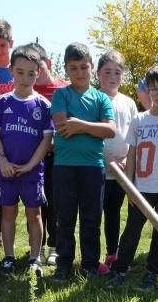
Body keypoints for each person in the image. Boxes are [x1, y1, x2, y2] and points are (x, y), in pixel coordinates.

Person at [106, 63, 158, 292]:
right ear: (147, 90)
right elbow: (132, 154)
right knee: (132, 230)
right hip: (142, 186)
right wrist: (129, 186)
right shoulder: (139, 119)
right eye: (154, 88)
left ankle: (152, 271)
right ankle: (119, 269)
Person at [50, 42, 116, 282]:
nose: (79, 72)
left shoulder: (101, 98)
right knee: (64, 219)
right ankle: (63, 265)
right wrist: (91, 128)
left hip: (93, 167)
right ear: (67, 69)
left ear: (91, 68)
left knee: (91, 219)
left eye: (84, 67)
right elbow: (62, 125)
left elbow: (110, 130)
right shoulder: (61, 94)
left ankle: (89, 265)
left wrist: (81, 125)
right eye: (73, 68)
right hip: (64, 167)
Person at [0, 46, 54, 275]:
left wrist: (30, 165)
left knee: (34, 213)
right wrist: (3, 161)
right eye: (20, 72)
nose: (25, 78)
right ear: (11, 71)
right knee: (7, 213)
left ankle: (34, 258)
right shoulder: (2, 102)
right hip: (5, 169)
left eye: (31, 73)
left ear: (38, 73)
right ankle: (8, 257)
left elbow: (46, 141)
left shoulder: (44, 106)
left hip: (32, 171)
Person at [28, 42, 69, 264]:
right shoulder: (28, 91)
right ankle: (37, 248)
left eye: (40, 67)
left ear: (49, 63)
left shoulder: (64, 89)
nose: (36, 73)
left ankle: (54, 245)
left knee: (56, 203)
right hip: (34, 156)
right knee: (35, 204)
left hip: (59, 156)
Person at [98, 50, 136, 266]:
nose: (112, 77)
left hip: (124, 170)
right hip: (101, 168)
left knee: (120, 213)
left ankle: (118, 252)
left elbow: (132, 134)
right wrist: (109, 160)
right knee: (103, 213)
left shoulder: (128, 102)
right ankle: (104, 252)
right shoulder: (94, 98)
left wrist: (127, 161)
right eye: (107, 72)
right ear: (98, 73)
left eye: (117, 72)